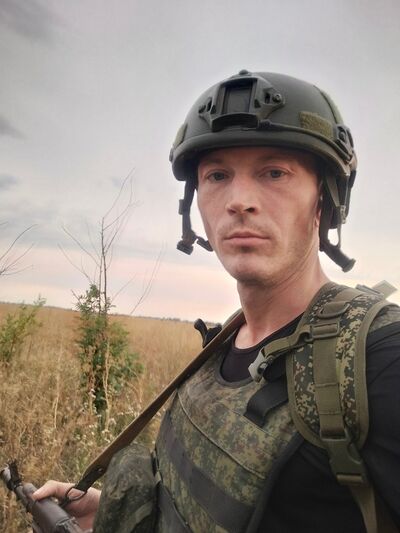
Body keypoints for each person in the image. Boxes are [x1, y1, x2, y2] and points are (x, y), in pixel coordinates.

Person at [33, 70, 400, 533]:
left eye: (274, 172)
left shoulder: (382, 360)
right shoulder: (223, 342)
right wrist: (111, 512)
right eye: (218, 175)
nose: (239, 201)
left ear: (325, 199)